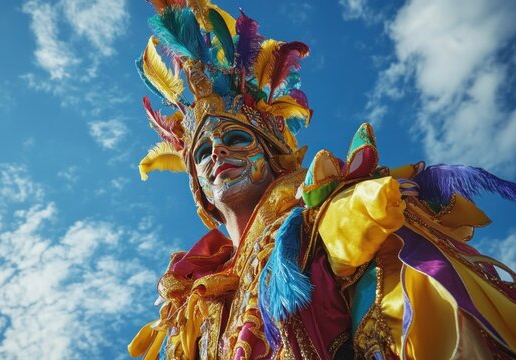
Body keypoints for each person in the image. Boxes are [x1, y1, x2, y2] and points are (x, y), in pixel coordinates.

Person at [128, 2, 516, 359]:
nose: (216, 154)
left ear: (272, 155)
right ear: (197, 186)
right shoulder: (196, 305)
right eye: (201, 153)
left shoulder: (325, 223)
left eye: (236, 139)